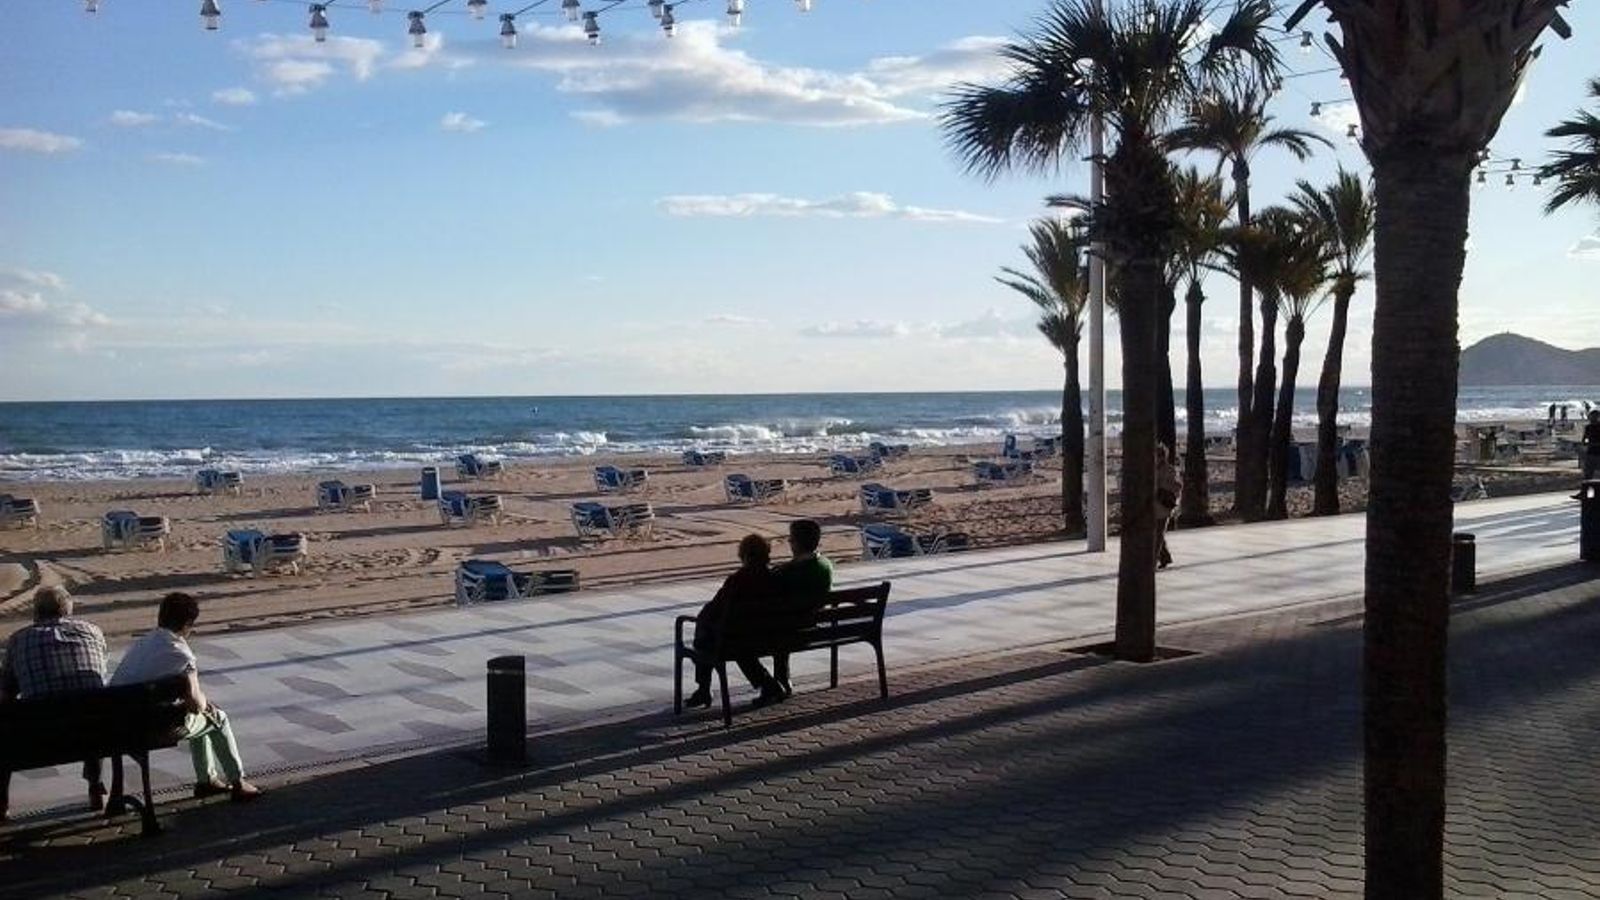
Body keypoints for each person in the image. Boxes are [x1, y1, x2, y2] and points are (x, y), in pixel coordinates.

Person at [111, 592, 261, 802]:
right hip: (153, 729)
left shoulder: (142, 643)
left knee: (201, 719)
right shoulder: (181, 654)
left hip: (119, 724)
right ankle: (238, 782)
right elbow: (196, 704)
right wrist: (207, 705)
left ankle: (207, 779)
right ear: (188, 624)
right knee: (218, 718)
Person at [0, 586, 108, 821]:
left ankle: (2, 802)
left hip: (40, 738)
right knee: (89, 707)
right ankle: (95, 785)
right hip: (96, 734)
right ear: (67, 609)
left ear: (36, 612)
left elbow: (6, 694)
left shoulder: (19, 640)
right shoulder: (92, 632)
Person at [684, 535, 786, 710]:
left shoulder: (737, 581)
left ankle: (703, 689)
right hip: (770, 637)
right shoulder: (776, 579)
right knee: (737, 642)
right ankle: (769, 685)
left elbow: (711, 611)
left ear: (744, 555)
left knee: (705, 639)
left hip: (738, 641)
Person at [766, 519, 834, 696]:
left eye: (791, 539)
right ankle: (780, 679)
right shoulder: (826, 565)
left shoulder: (789, 571)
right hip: (814, 625)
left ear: (796, 543)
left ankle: (773, 683)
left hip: (792, 629)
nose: (789, 542)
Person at [1155, 445, 1182, 570]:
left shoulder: (1170, 470)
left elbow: (1177, 486)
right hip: (1155, 505)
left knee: (1158, 534)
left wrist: (1163, 486)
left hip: (1163, 505)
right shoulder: (1152, 469)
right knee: (1157, 533)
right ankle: (1165, 557)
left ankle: (1154, 560)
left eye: (1157, 455)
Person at [1583, 411, 1600, 481]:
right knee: (1588, 473)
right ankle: (1587, 488)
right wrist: (1587, 443)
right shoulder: (1588, 427)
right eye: (1591, 417)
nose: (1592, 418)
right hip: (1590, 452)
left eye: (1594, 417)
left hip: (1598, 453)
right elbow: (1584, 439)